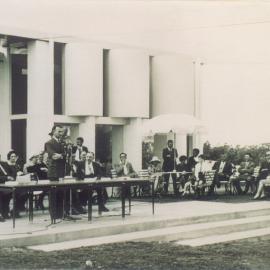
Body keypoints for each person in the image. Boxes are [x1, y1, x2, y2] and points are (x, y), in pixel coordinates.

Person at [44, 125, 66, 219]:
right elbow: (53, 156)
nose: (61, 133)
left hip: (61, 172)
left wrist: (60, 155)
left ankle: (60, 215)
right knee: (53, 194)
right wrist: (61, 156)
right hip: (53, 172)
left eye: (61, 132)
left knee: (61, 193)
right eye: (59, 131)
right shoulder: (48, 143)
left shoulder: (61, 143)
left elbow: (65, 155)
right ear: (53, 131)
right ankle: (53, 215)